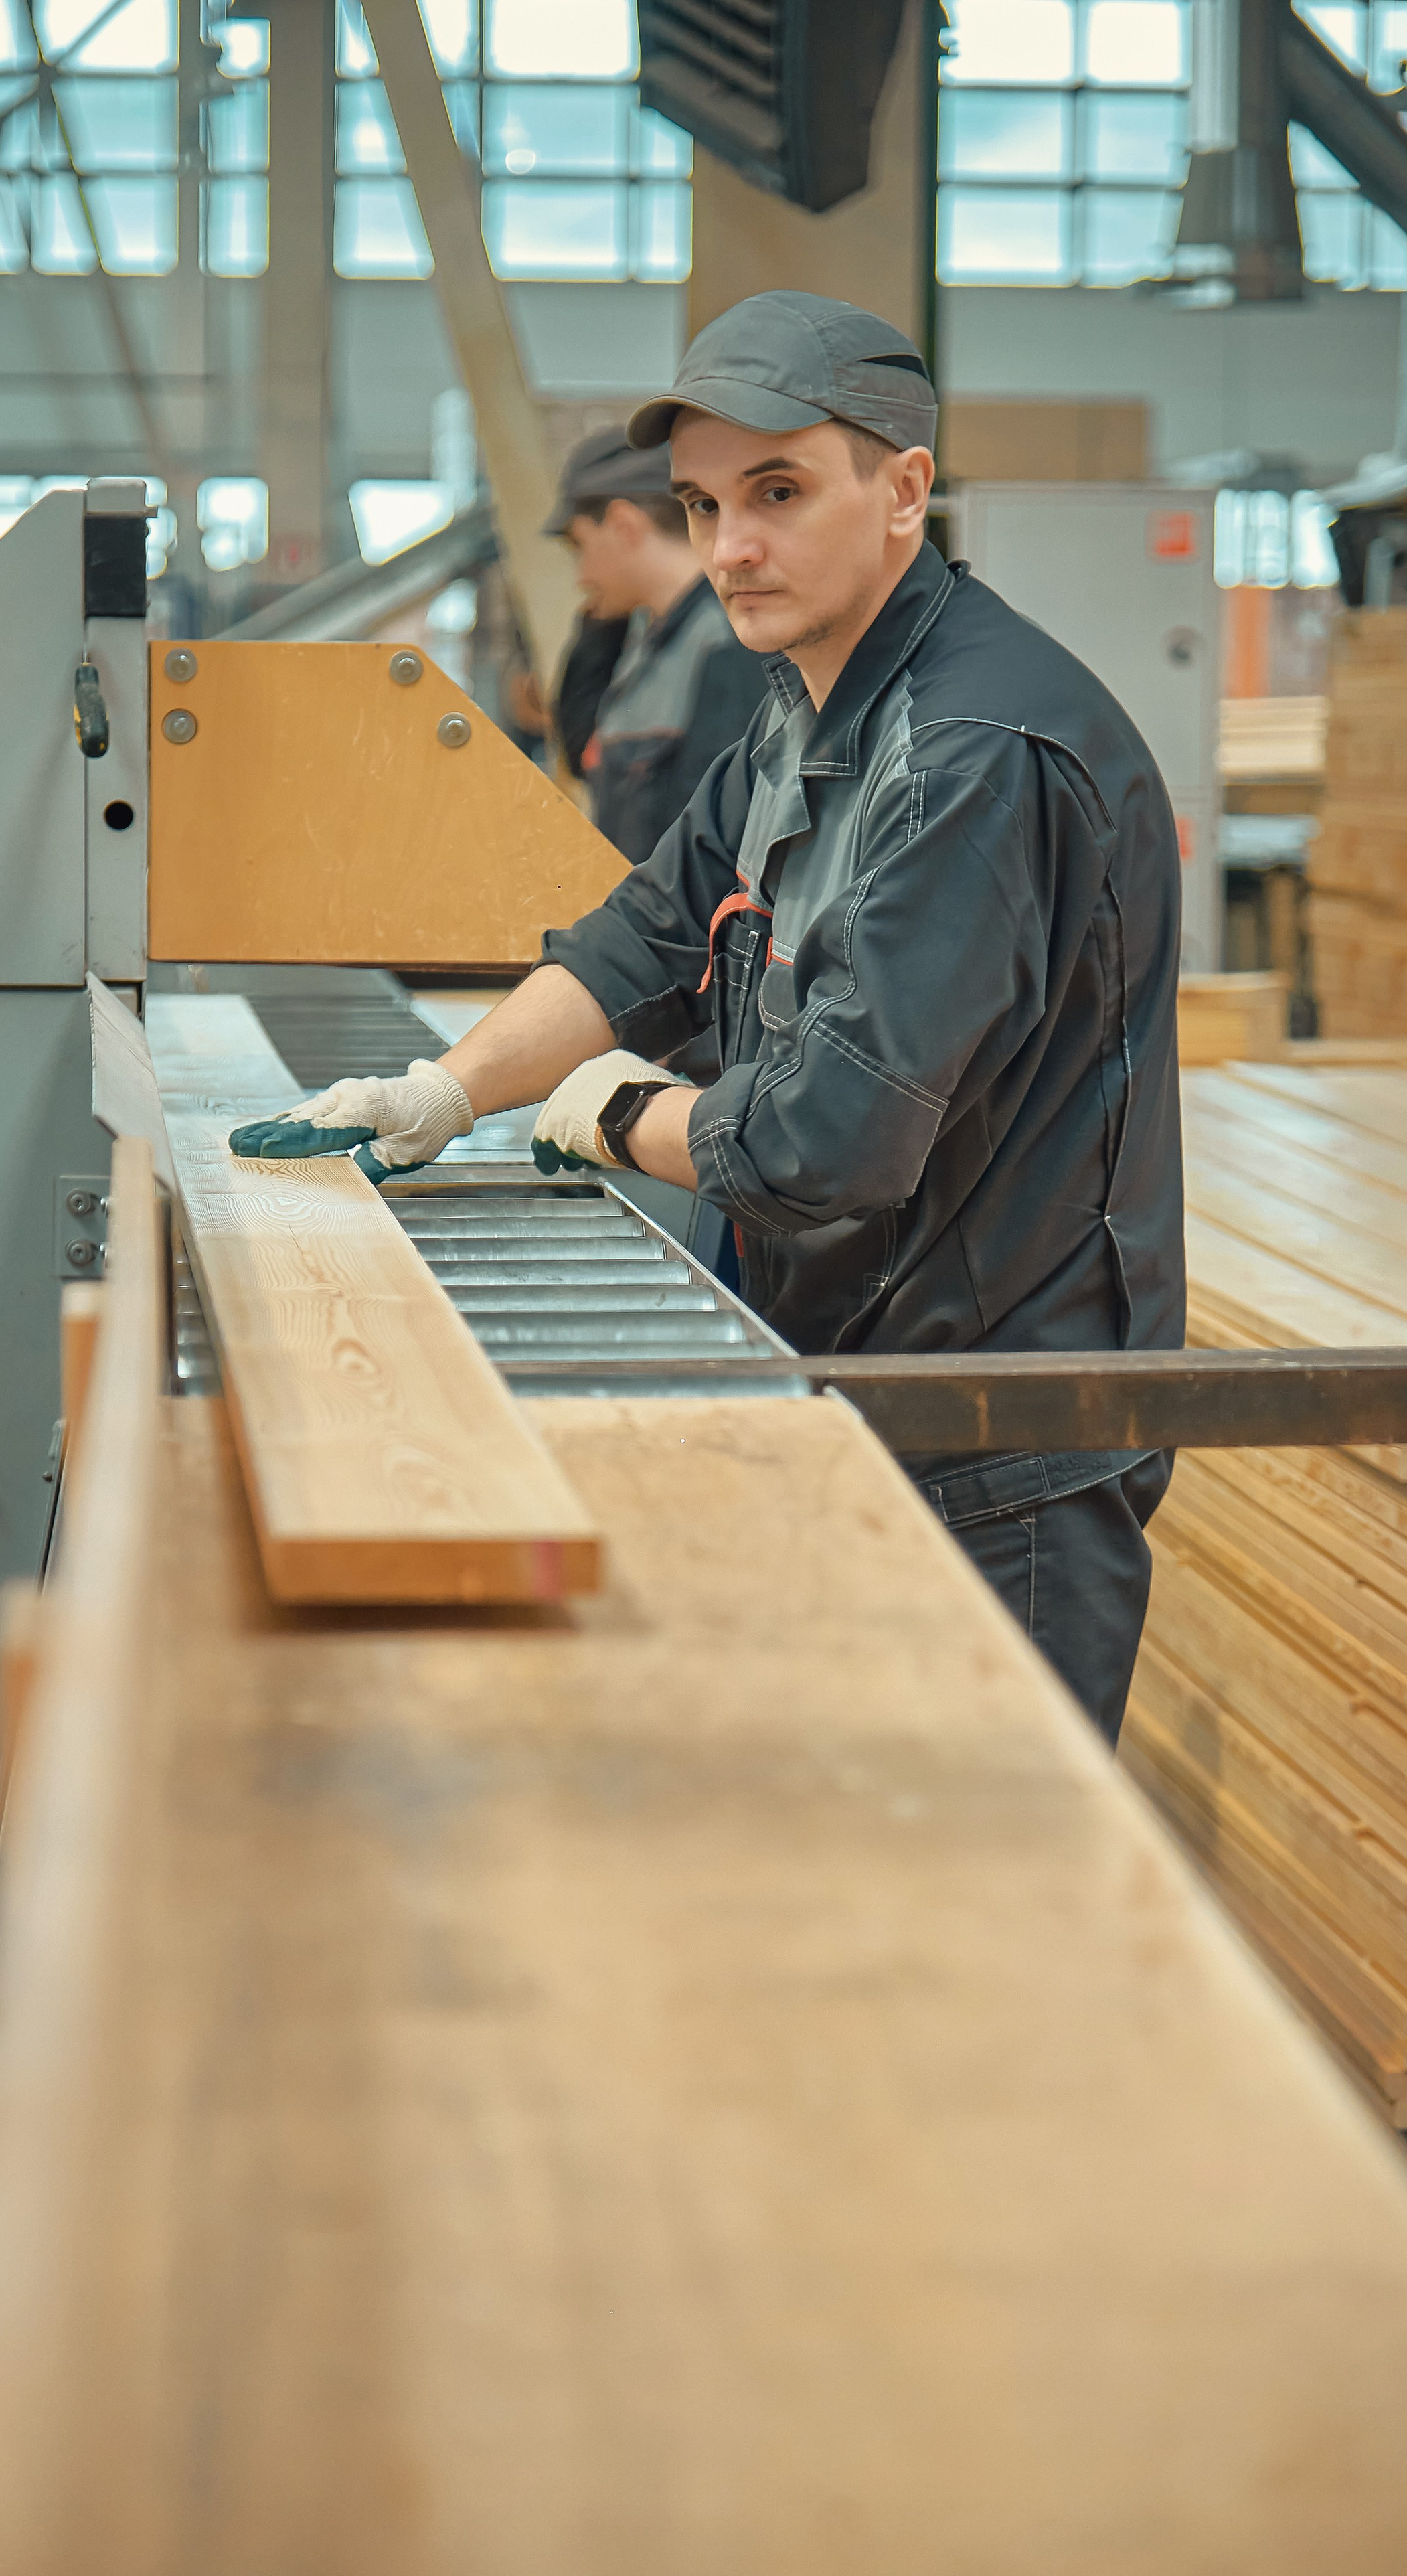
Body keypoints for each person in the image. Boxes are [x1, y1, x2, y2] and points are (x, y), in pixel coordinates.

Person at [229, 291, 1186, 1745]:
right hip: (871, 1378)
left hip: (999, 1450)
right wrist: (447, 1090)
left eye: (778, 493)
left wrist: (623, 1117)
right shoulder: (807, 702)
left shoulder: (969, 754)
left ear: (902, 490)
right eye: (700, 504)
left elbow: (830, 1139)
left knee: (980, 1907)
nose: (728, 546)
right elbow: (653, 934)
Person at [544, 424, 767, 866]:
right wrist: (599, 626)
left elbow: (717, 853)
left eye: (580, 546)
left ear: (625, 525)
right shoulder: (650, 641)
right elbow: (581, 751)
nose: (581, 576)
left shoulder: (730, 641)